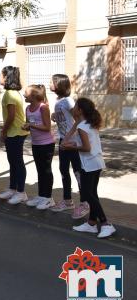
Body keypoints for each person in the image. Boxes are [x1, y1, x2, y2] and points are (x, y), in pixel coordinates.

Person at [62, 98, 115, 239]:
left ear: (79, 110)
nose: (73, 109)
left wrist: (72, 146)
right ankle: (91, 223)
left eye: (75, 107)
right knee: (92, 194)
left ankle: (105, 223)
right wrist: (75, 125)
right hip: (96, 163)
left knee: (87, 194)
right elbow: (77, 142)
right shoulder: (86, 124)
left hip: (89, 164)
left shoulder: (82, 127)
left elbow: (86, 147)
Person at [49, 74, 88, 217]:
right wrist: (55, 115)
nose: (50, 84)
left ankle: (85, 202)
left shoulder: (68, 101)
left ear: (59, 85)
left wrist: (70, 136)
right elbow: (65, 117)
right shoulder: (59, 101)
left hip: (72, 141)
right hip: (63, 141)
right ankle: (67, 200)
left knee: (78, 171)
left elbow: (79, 119)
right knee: (63, 170)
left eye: (52, 82)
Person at [0, 66, 30, 205]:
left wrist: (3, 131)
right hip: (15, 132)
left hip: (15, 132)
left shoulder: (10, 94)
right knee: (13, 161)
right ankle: (13, 188)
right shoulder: (13, 93)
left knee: (17, 162)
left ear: (6, 77)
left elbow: (11, 116)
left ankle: (21, 192)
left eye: (1, 75)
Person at [21, 84, 56, 209]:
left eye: (26, 92)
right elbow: (29, 123)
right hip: (35, 143)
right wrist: (26, 126)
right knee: (40, 170)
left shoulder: (43, 107)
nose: (24, 94)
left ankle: (48, 198)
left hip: (47, 144)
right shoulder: (28, 108)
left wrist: (30, 125)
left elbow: (47, 127)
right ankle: (41, 196)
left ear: (34, 96)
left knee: (46, 170)